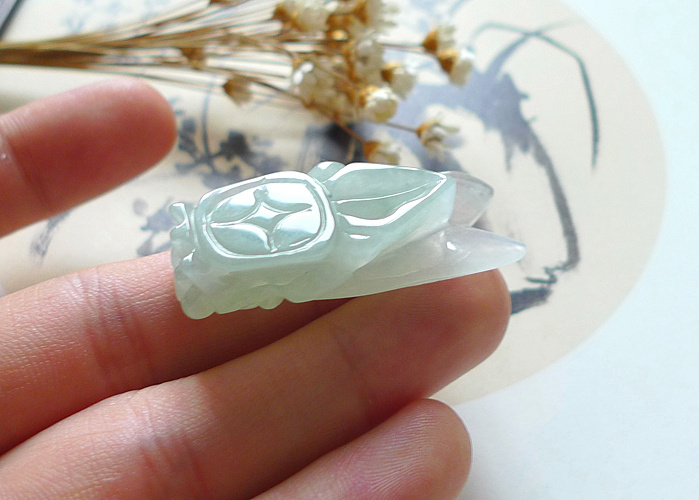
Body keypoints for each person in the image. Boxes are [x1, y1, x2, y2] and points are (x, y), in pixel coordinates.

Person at [0, 78, 511, 499]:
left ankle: (425, 213)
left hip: (324, 224)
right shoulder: (234, 246)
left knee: (355, 231)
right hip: (310, 225)